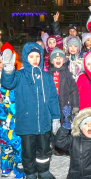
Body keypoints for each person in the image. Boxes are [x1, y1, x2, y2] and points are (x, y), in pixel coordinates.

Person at [1, 42, 60, 179]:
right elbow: (7, 83)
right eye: (31, 56)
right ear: (25, 57)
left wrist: (56, 118)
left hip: (44, 123)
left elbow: (52, 99)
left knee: (44, 151)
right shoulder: (20, 75)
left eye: (37, 56)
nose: (35, 59)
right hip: (26, 124)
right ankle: (30, 173)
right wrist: (8, 69)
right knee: (27, 152)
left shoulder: (47, 77)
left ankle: (43, 170)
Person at [48, 48, 79, 156]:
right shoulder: (47, 74)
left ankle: (64, 147)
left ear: (64, 60)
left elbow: (74, 90)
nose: (58, 59)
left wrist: (75, 105)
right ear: (51, 60)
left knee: (64, 125)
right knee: (52, 125)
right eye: (55, 58)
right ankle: (53, 145)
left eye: (60, 58)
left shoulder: (67, 74)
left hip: (65, 105)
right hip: (51, 106)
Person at [0, 50, 25, 178]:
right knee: (5, 146)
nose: (1, 65)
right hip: (2, 121)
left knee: (18, 145)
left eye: (2, 62)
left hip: (15, 120)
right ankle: (6, 167)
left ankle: (19, 169)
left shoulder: (14, 78)